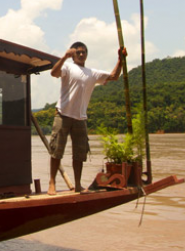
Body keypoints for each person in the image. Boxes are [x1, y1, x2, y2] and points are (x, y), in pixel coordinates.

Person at [48, 42, 126, 195]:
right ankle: (52, 182)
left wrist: (120, 59)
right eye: (78, 52)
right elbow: (53, 73)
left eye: (84, 52)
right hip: (63, 114)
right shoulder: (68, 67)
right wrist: (64, 56)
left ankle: (77, 184)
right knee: (56, 150)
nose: (81, 54)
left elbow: (114, 76)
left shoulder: (92, 73)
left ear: (87, 54)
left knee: (80, 153)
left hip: (80, 118)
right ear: (73, 54)